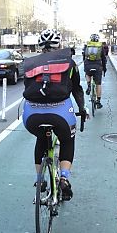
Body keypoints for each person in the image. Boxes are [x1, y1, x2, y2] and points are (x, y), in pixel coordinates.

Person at [22, 28, 88, 202]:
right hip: (60, 115)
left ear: (40, 46)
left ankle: (40, 180)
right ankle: (64, 178)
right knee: (67, 140)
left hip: (31, 116)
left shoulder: (30, 64)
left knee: (41, 139)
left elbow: (27, 88)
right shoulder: (69, 63)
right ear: (59, 45)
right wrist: (82, 109)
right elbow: (77, 89)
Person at [83, 33, 105, 109]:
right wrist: (104, 69)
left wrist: (85, 66)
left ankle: (88, 85)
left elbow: (84, 57)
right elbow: (103, 59)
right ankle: (98, 102)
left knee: (87, 74)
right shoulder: (100, 46)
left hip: (88, 64)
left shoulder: (87, 45)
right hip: (98, 66)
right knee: (98, 84)